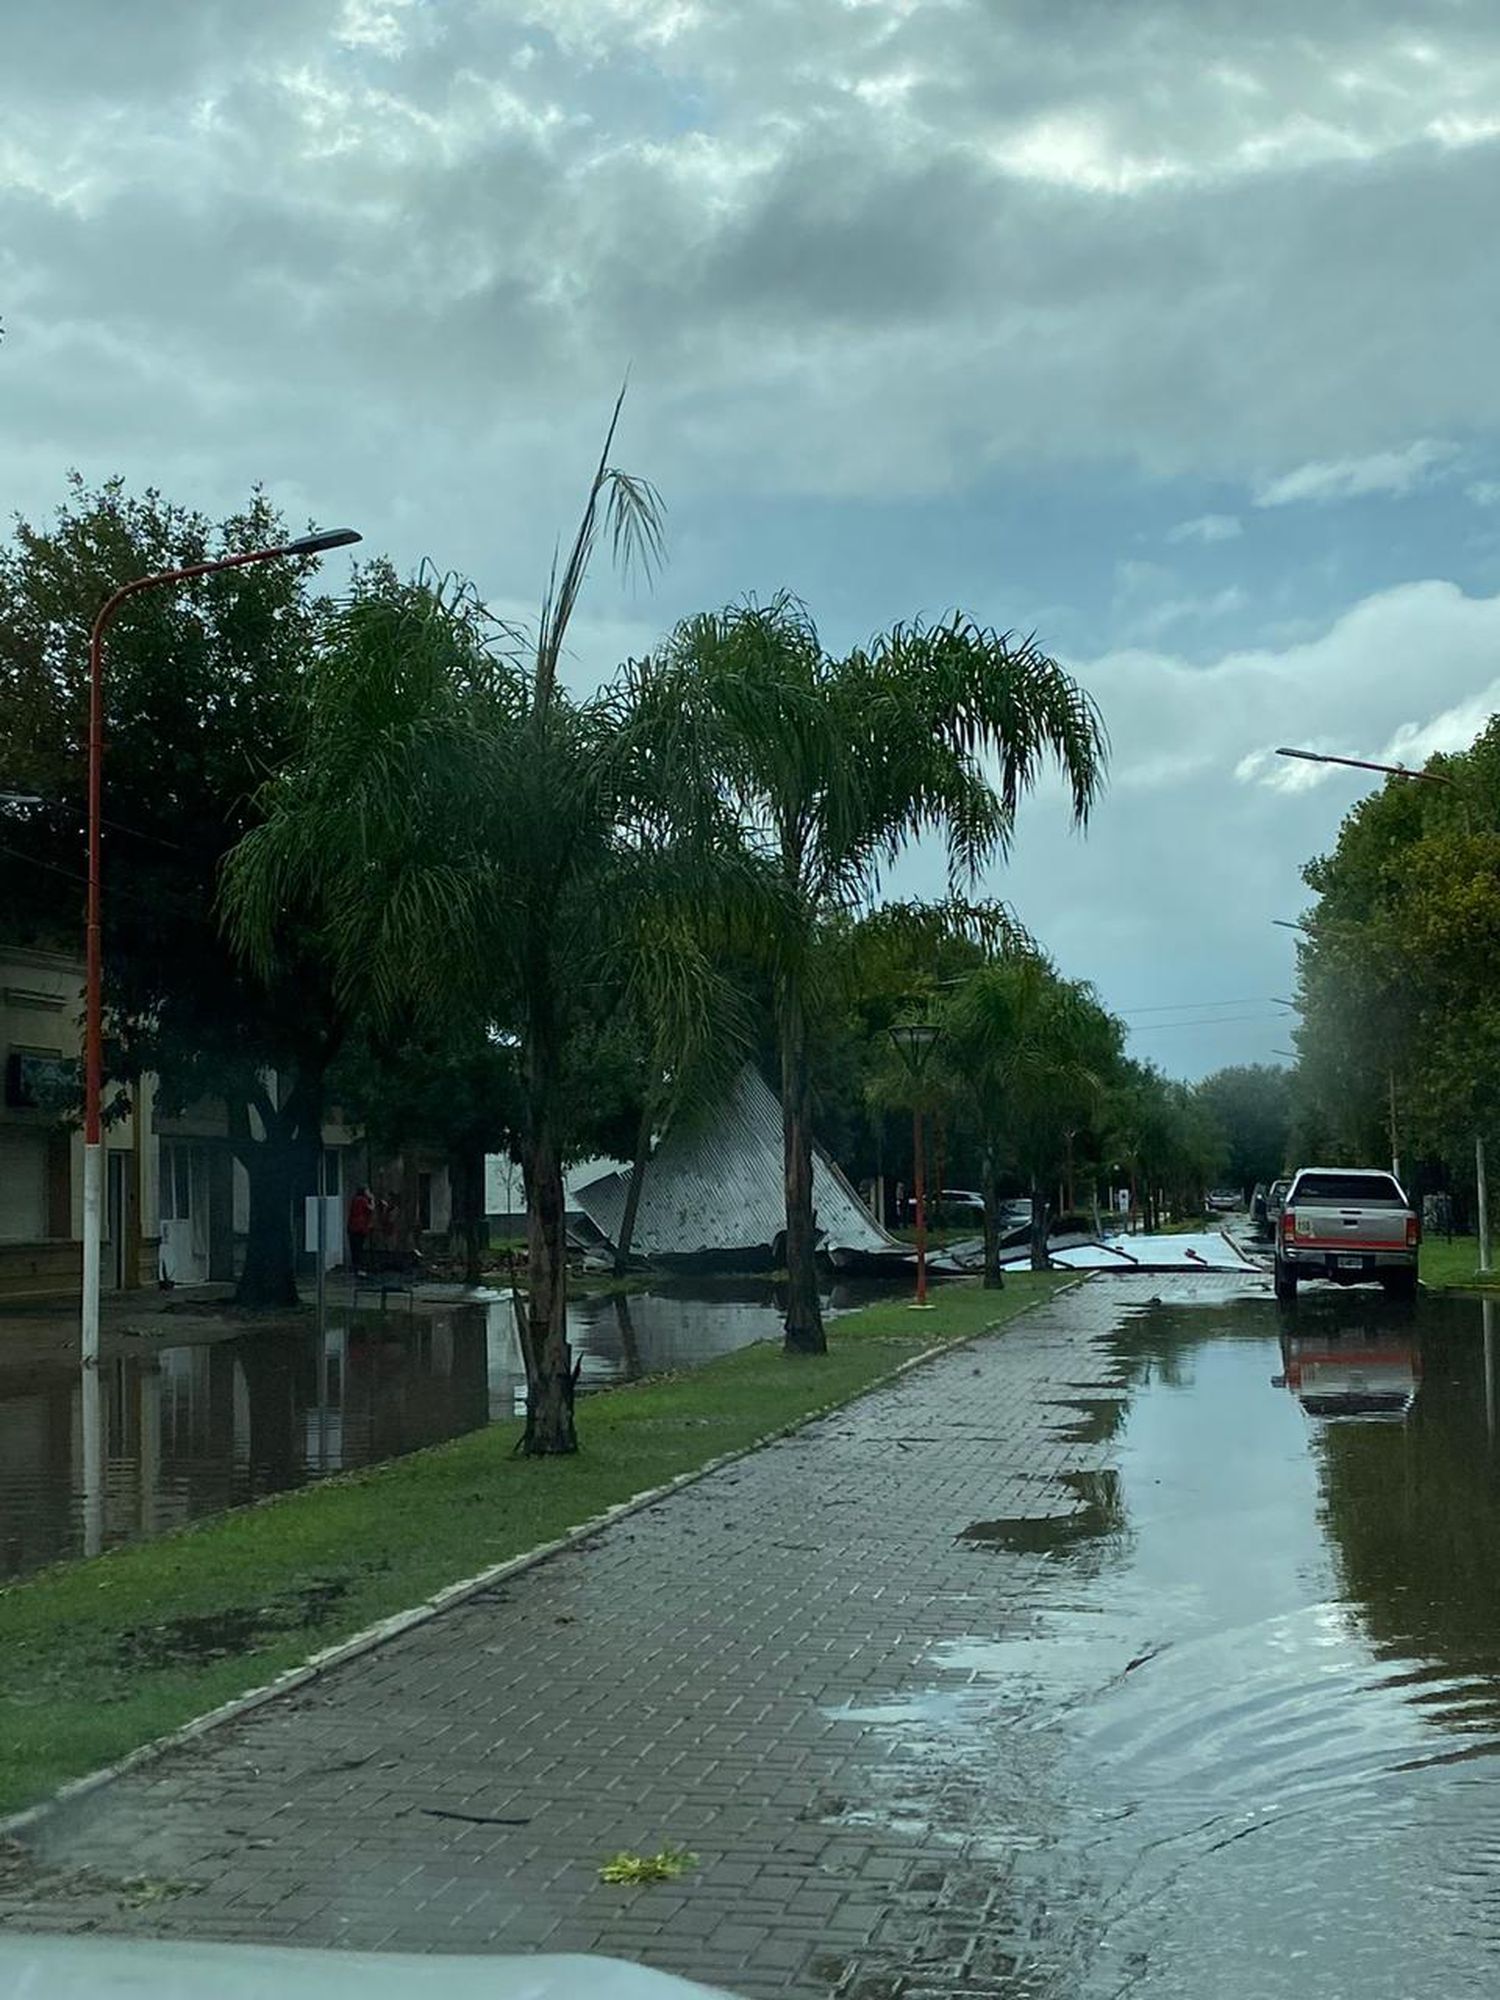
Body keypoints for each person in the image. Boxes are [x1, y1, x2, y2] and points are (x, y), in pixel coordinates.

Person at [347, 1184, 375, 1273]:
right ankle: (358, 1266)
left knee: (355, 1247)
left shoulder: (355, 1200)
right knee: (358, 1247)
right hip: (359, 1227)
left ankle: (356, 1265)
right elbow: (371, 1208)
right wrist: (372, 1199)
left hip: (353, 1227)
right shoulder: (362, 1200)